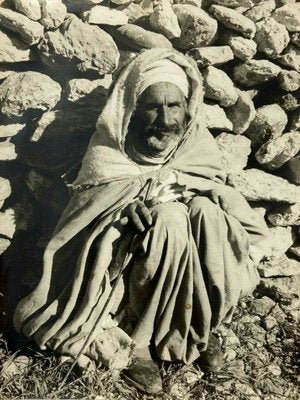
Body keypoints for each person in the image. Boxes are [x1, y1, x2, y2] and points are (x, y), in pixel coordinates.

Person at [13, 49, 270, 394]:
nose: (164, 119)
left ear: (188, 107)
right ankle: (141, 342)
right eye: (153, 106)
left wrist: (194, 196)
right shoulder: (110, 153)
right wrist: (122, 213)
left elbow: (219, 194)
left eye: (173, 106)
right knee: (168, 220)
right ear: (133, 109)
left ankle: (198, 326)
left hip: (188, 248)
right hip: (127, 263)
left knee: (207, 215)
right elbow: (82, 223)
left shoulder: (196, 145)